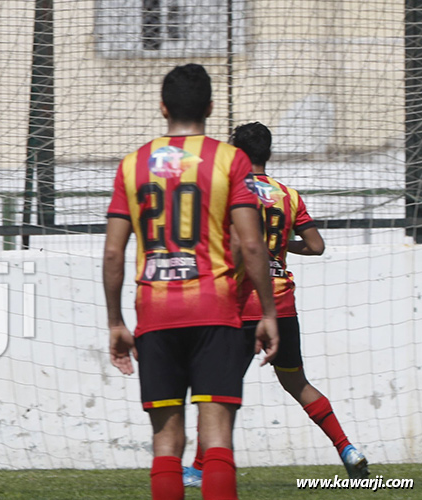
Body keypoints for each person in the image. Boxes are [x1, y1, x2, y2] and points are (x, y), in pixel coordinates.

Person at [102, 65, 279, 500]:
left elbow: (112, 252)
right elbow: (252, 245)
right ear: (211, 108)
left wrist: (115, 322)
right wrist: (268, 313)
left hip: (156, 317)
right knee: (217, 438)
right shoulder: (229, 160)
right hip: (215, 311)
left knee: (166, 444)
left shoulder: (132, 165)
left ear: (162, 108)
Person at [182, 122, 368, 487]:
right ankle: (347, 448)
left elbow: (236, 247)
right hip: (282, 304)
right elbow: (316, 246)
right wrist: (280, 249)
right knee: (298, 383)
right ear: (267, 152)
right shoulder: (288, 195)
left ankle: (201, 468)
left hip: (241, 303)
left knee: (214, 388)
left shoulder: (228, 191)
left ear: (236, 153)